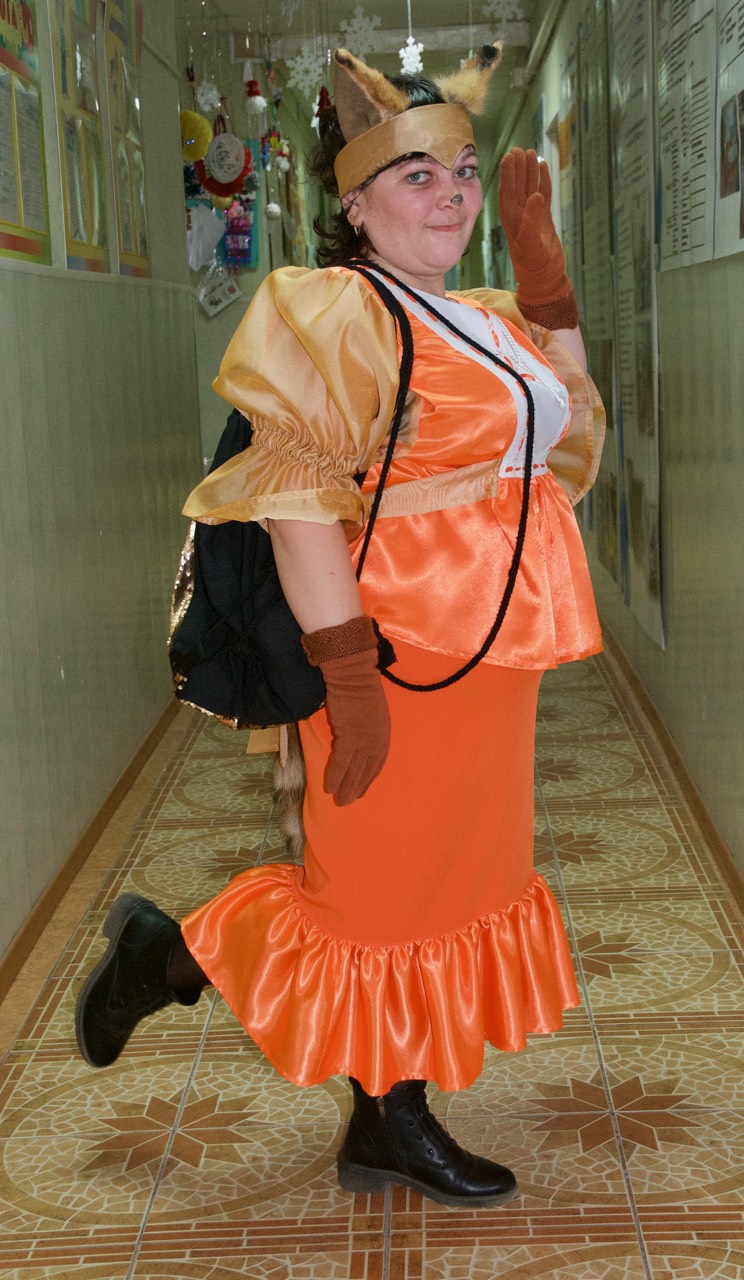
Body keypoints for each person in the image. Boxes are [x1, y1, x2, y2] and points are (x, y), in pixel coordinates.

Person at [75, 45, 604, 1209]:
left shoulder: (483, 317)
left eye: (462, 171)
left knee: (450, 883)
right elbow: (296, 501)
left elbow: (567, 451)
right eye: (417, 176)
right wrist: (348, 676)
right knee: (369, 898)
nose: (453, 194)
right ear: (354, 204)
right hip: (395, 653)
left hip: (494, 651)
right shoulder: (334, 313)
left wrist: (550, 294)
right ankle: (175, 967)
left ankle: (378, 1114)